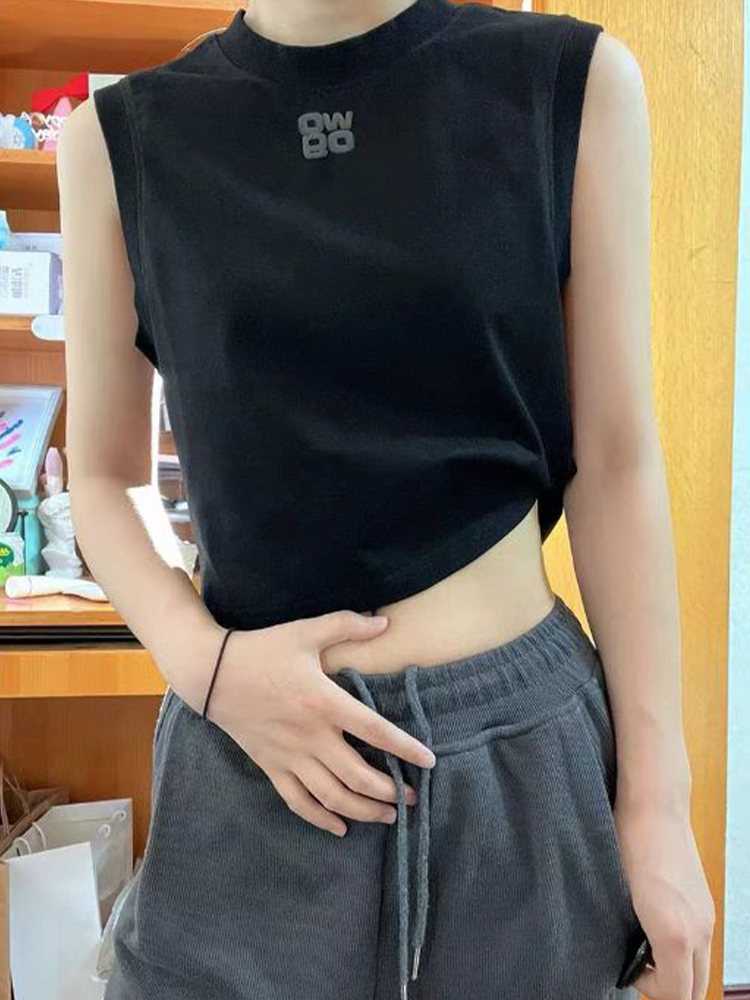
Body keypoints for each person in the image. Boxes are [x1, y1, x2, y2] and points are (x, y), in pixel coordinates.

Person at [57, 1, 715, 998]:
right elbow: (102, 478)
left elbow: (616, 458)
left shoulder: (570, 84)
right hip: (253, 758)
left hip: (518, 769)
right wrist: (208, 667)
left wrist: (660, 806)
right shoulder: (120, 139)